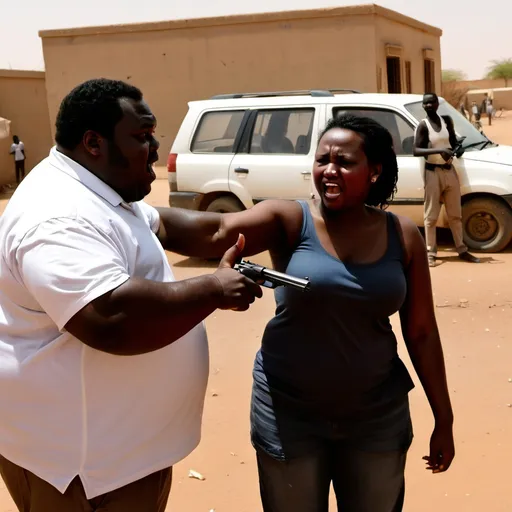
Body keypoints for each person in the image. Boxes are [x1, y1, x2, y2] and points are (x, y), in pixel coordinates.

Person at [161, 113, 455, 511]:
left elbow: (421, 332)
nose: (329, 171)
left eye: (345, 162)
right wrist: (140, 215)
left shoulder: (402, 235)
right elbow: (215, 232)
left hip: (376, 415)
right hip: (289, 411)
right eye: (322, 160)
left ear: (374, 171)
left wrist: (444, 419)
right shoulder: (289, 219)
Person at [0, 78, 263, 512]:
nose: (156, 148)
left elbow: (180, 226)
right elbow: (109, 317)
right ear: (93, 143)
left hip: (120, 456)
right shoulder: (56, 217)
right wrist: (213, 288)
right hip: (81, 471)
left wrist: (288, 219)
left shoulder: (98, 190)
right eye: (142, 137)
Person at [413, 93, 480, 267]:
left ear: (437, 104)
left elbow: (452, 141)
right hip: (432, 173)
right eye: (425, 103)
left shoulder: (446, 121)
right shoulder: (423, 126)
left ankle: (462, 249)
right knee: (431, 217)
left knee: (455, 215)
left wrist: (458, 149)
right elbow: (416, 150)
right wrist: (438, 151)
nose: (428, 106)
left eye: (431, 102)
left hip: (449, 171)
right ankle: (430, 252)